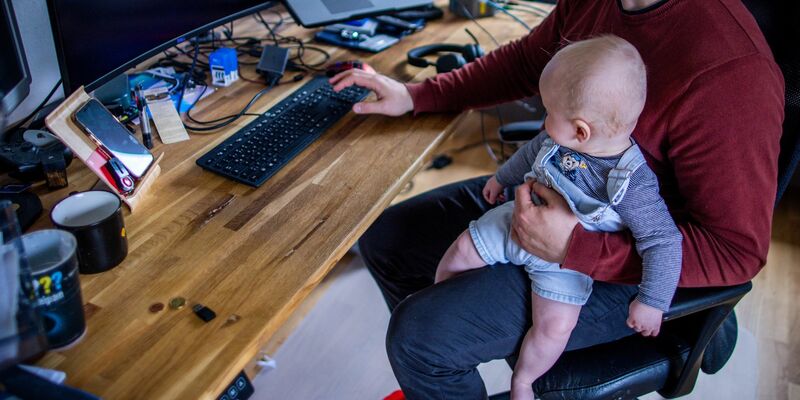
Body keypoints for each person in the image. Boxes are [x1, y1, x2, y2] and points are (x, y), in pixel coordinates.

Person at [329, 0, 785, 398]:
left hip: (635, 252)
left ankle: (447, 359)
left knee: (421, 338)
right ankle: (445, 373)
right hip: (558, 186)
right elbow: (527, 63)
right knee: (386, 238)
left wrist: (576, 248)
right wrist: (417, 95)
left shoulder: (732, 73)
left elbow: (736, 252)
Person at [434, 35, 682, 399]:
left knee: (554, 328)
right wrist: (502, 178)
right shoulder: (556, 140)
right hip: (517, 221)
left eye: (549, 113)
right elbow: (529, 153)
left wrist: (652, 301)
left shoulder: (632, 183)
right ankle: (438, 302)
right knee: (460, 251)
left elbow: (663, 241)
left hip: (566, 266)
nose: (545, 120)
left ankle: (524, 380)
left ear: (581, 131)